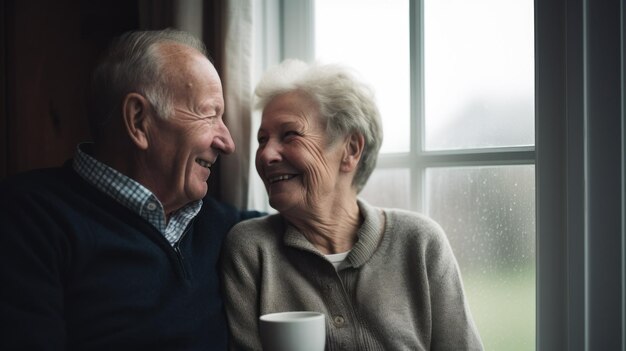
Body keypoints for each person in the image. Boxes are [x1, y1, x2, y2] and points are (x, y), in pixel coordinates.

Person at [0, 29, 261, 350]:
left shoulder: (224, 226)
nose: (227, 143)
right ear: (138, 120)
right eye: (209, 114)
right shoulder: (26, 218)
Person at [219, 59, 484, 350]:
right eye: (262, 139)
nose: (266, 154)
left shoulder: (420, 243)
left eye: (290, 134)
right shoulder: (251, 251)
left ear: (351, 149)